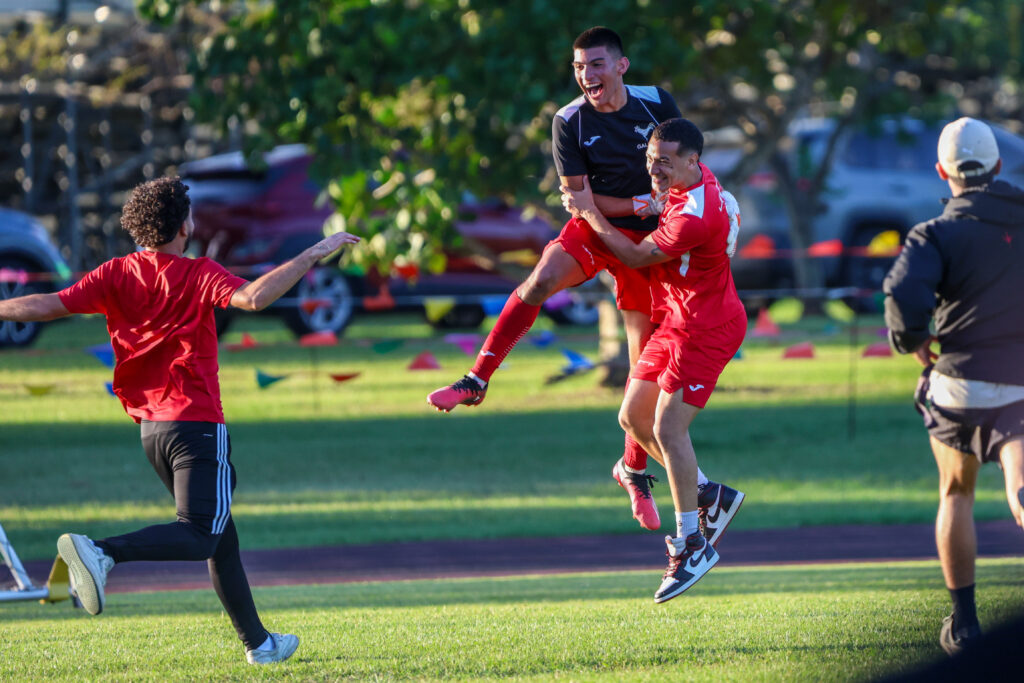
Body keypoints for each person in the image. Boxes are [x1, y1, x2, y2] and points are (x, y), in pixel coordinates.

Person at [0, 177, 359, 664]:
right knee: (200, 533)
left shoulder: (115, 272)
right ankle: (101, 552)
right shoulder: (197, 273)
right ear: (183, 224)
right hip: (195, 423)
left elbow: (50, 304)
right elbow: (254, 298)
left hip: (152, 431)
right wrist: (313, 252)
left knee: (220, 535)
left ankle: (260, 645)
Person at [426, 26, 744, 537]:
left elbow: (682, 163)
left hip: (649, 245)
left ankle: (635, 472)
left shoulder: (656, 102)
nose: (586, 75)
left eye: (595, 64)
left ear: (621, 65)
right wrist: (633, 206)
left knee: (643, 365)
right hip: (603, 231)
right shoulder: (568, 121)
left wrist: (696, 206)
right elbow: (581, 203)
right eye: (578, 67)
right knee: (540, 280)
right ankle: (478, 377)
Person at [562, 118, 747, 602]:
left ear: (693, 161)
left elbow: (634, 254)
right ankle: (708, 494)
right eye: (651, 158)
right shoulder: (691, 185)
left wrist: (590, 216)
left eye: (665, 161)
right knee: (631, 415)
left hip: (707, 329)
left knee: (667, 428)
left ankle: (691, 546)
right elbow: (663, 204)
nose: (654, 168)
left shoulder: (695, 214)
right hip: (676, 320)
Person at [883, 117, 1024, 655]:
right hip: (1020, 381)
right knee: (1019, 475)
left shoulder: (933, 234)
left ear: (942, 172)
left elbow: (902, 297)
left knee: (955, 492)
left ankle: (964, 625)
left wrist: (914, 339)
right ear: (999, 166)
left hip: (959, 383)